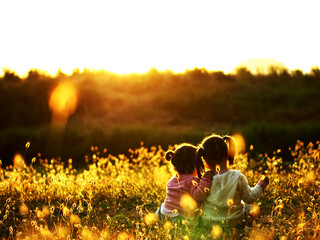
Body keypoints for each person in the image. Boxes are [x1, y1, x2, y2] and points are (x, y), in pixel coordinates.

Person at [197, 134, 269, 228]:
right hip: (235, 223)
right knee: (248, 206)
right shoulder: (237, 177)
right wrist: (261, 186)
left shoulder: (205, 181)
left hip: (210, 223)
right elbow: (250, 197)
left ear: (205, 159)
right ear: (227, 154)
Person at [155, 143, 215, 221]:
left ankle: (156, 218)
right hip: (178, 217)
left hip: (164, 212)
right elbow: (199, 195)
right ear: (193, 165)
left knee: (163, 205)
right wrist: (206, 179)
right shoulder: (191, 180)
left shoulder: (172, 179)